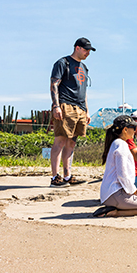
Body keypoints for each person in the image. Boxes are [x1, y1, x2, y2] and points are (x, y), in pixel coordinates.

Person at [49, 37, 95, 187]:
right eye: (86, 49)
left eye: (89, 50)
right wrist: (56, 106)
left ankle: (67, 176)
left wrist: (87, 111)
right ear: (77, 48)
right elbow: (54, 84)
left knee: (72, 142)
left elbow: (84, 90)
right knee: (60, 140)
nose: (88, 52)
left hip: (80, 108)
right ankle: (55, 177)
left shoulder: (84, 68)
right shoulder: (63, 63)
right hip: (65, 105)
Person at [94, 115, 137, 218]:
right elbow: (122, 174)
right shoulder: (121, 144)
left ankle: (116, 208)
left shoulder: (118, 143)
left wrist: (135, 191)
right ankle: (114, 212)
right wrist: (135, 191)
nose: (135, 131)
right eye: (133, 128)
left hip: (113, 193)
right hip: (115, 193)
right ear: (125, 130)